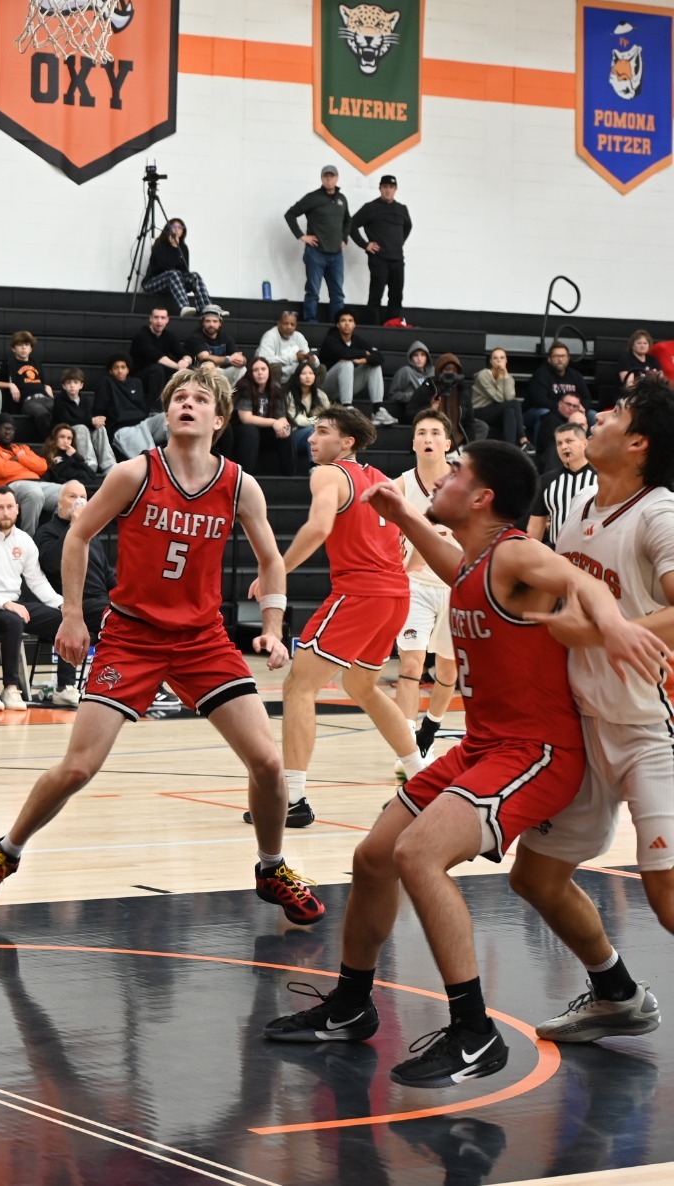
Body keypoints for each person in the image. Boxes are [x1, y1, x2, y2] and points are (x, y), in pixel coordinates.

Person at [265, 441, 662, 1088]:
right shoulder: (479, 562)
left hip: (536, 754)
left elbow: (583, 581)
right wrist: (400, 514)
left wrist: (614, 627)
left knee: (417, 855)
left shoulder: (513, 551)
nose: (441, 476)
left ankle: (475, 1033)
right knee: (372, 857)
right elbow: (455, 563)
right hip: (482, 748)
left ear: (481, 497)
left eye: (455, 471)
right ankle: (350, 1006)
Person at [0, 368, 322, 926]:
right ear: (167, 412)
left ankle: (271, 866)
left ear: (219, 419)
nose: (188, 404)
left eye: (201, 399)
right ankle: (4, 851)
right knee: (78, 768)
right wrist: (73, 617)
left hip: (202, 639)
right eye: (180, 396)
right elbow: (78, 535)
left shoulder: (240, 484)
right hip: (132, 636)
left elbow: (272, 559)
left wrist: (272, 625)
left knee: (269, 763)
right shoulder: (134, 473)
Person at [506, 376, 674, 1046]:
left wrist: (597, 632)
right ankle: (616, 994)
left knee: (665, 900)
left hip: (646, 729)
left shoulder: (659, 513)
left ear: (637, 443)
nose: (597, 415)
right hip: (579, 725)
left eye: (616, 412)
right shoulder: (574, 508)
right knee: (536, 876)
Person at [260, 406, 423, 830]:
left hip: (360, 594)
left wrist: (276, 569)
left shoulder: (329, 474)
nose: (312, 439)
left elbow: (318, 528)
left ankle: (292, 799)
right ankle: (423, 780)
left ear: (347, 442)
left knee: (298, 686)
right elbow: (409, 542)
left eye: (322, 431)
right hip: (396, 595)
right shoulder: (386, 482)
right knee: (361, 685)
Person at [393, 411, 460, 755]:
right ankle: (407, 751)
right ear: (414, 442)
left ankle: (428, 733)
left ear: (447, 444)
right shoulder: (400, 486)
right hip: (414, 585)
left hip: (455, 585)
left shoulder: (464, 483)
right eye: (422, 432)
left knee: (448, 670)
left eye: (436, 432)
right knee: (411, 665)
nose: (429, 438)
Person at [0, 487, 66, 711]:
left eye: (10, 507)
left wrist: (60, 603)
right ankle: (11, 687)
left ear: (18, 510)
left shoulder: (24, 541)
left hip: (13, 603)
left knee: (62, 618)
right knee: (13, 620)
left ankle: (64, 687)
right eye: (0, 507)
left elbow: (37, 580)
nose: (6, 512)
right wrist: (5, 604)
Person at [33, 480, 102, 706]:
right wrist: (75, 528)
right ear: (59, 503)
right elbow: (51, 563)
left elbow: (106, 574)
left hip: (99, 600)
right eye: (72, 497)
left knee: (132, 611)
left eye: (82, 496)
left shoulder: (93, 534)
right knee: (115, 616)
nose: (79, 501)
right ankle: (69, 686)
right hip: (71, 601)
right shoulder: (46, 532)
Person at [285, 164, 351, 322]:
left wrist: (345, 238)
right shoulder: (312, 197)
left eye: (332, 176)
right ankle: (311, 322)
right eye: (326, 176)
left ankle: (338, 324)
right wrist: (302, 236)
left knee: (337, 293)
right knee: (313, 290)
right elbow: (290, 214)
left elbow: (348, 221)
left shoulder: (342, 199)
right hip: (316, 253)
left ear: (337, 178)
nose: (329, 179)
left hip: (336, 255)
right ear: (322, 178)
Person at [348, 173, 412, 327]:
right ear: (380, 188)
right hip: (379, 259)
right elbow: (351, 225)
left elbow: (408, 227)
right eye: (385, 187)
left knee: (396, 296)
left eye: (391, 187)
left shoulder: (402, 209)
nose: (388, 190)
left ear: (395, 189)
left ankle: (392, 327)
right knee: (376, 295)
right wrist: (365, 244)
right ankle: (373, 329)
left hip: (397, 259)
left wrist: (397, 244)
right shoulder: (370, 208)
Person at [0, 413, 58, 526]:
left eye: (11, 429)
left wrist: (19, 458)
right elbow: (2, 470)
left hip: (37, 483)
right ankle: (29, 537)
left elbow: (42, 467)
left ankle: (54, 533)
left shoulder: (22, 449)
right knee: (34, 493)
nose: (8, 432)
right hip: (9, 486)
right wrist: (28, 466)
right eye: (4, 428)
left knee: (69, 492)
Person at [528, 420, 595, 545]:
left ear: (585, 444)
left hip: (592, 554)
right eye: (559, 443)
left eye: (569, 441)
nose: (563, 447)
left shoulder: (601, 478)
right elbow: (535, 528)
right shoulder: (546, 481)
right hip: (557, 553)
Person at [317, 310, 388, 421]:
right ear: (337, 324)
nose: (347, 323)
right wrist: (364, 353)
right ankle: (347, 407)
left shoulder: (357, 340)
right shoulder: (330, 339)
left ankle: (377, 410)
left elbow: (379, 357)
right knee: (346, 363)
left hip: (345, 387)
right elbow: (344, 353)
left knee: (374, 365)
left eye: (350, 321)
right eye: (343, 321)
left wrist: (365, 360)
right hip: (326, 388)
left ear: (355, 324)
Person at [228, 355, 291, 473]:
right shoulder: (244, 386)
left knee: (287, 432)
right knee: (251, 431)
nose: (260, 373)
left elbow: (281, 416)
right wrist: (274, 422)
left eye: (263, 369)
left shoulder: (275, 388)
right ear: (250, 373)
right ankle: (245, 476)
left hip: (264, 430)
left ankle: (290, 478)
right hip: (241, 430)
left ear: (269, 371)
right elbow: (246, 418)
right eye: (255, 370)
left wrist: (283, 425)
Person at [93, 355, 162, 459]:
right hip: (123, 428)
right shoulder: (106, 382)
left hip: (143, 423)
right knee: (148, 457)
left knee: (167, 418)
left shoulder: (136, 382)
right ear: (111, 371)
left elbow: (142, 407)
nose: (120, 371)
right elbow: (99, 408)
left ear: (128, 369)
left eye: (123, 367)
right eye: (116, 368)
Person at [49, 367, 115, 472]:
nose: (72, 385)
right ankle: (89, 461)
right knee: (81, 427)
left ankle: (108, 463)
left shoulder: (86, 400)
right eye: (68, 383)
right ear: (64, 386)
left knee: (100, 429)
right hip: (63, 430)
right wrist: (91, 421)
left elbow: (87, 419)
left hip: (81, 429)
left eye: (75, 382)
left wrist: (96, 422)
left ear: (81, 385)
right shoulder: (60, 400)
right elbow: (66, 421)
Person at [141, 218, 209, 315]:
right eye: (174, 227)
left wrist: (177, 248)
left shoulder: (184, 248)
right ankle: (184, 307)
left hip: (175, 283)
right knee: (173, 273)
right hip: (152, 283)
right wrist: (174, 247)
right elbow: (167, 266)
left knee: (194, 276)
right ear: (168, 229)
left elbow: (185, 271)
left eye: (180, 227)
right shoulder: (159, 246)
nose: (177, 230)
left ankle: (206, 308)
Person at [529, 341, 595, 441]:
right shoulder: (541, 375)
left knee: (592, 415)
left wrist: (578, 408)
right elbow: (539, 400)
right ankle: (537, 448)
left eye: (563, 356)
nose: (560, 359)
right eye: (556, 356)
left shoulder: (576, 375)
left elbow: (587, 398)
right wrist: (561, 407)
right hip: (542, 411)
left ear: (568, 358)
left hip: (572, 409)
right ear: (549, 359)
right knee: (544, 413)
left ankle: (591, 446)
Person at [0, 330, 53, 436]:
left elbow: (40, 382)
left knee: (62, 409)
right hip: (28, 401)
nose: (24, 348)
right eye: (20, 345)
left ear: (31, 348)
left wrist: (47, 387)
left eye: (26, 345)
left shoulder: (36, 363)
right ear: (13, 349)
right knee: (42, 413)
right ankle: (51, 443)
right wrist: (10, 385)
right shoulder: (9, 363)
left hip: (44, 397)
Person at [471, 346, 529, 452]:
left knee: (510, 411)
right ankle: (523, 438)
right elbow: (498, 398)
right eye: (495, 358)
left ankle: (510, 449)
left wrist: (505, 377)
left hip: (497, 412)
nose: (499, 361)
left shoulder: (509, 378)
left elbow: (508, 397)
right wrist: (502, 378)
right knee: (515, 404)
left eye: (502, 358)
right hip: (480, 411)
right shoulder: (483, 376)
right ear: (491, 361)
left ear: (506, 360)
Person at [129, 303, 189, 401]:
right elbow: (156, 356)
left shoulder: (168, 335)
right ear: (150, 319)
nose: (159, 321)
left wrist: (185, 361)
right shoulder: (141, 335)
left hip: (159, 377)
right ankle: (155, 408)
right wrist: (178, 366)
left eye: (162, 318)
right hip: (138, 378)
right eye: (156, 317)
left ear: (167, 320)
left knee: (187, 370)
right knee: (157, 369)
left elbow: (183, 353)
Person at [282, 360, 330, 475]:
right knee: (311, 431)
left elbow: (329, 416)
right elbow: (297, 419)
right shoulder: (290, 395)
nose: (308, 376)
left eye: (311, 373)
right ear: (298, 377)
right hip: (294, 435)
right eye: (304, 373)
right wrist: (316, 421)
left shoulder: (320, 395)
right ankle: (314, 466)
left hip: (314, 433)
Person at [183, 305, 245, 385]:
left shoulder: (224, 336)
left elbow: (238, 355)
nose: (211, 324)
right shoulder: (195, 337)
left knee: (242, 369)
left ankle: (232, 396)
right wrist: (228, 359)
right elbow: (204, 357)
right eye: (208, 321)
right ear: (202, 323)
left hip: (218, 372)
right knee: (208, 366)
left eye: (215, 321)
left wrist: (242, 360)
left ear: (220, 323)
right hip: (198, 373)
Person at [255, 308, 316, 387]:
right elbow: (264, 360)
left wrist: (313, 360)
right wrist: (294, 358)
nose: (289, 327)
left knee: (320, 368)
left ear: (296, 326)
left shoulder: (299, 336)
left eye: (292, 324)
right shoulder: (270, 336)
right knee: (275, 366)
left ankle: (314, 397)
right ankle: (274, 396)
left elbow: (307, 355)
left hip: (295, 374)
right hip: (278, 374)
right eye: (285, 323)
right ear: (279, 323)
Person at [41, 423, 101, 493]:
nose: (65, 441)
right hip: (69, 490)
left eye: (69, 438)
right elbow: (57, 475)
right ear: (55, 438)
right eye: (62, 437)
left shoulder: (73, 455)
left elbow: (91, 475)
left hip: (87, 487)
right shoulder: (49, 455)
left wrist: (75, 456)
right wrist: (69, 457)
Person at [386, 339, 432, 423]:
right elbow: (393, 395)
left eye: (422, 355)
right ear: (411, 357)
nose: (419, 358)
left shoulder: (433, 373)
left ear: (427, 357)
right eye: (415, 355)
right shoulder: (405, 372)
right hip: (411, 411)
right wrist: (412, 396)